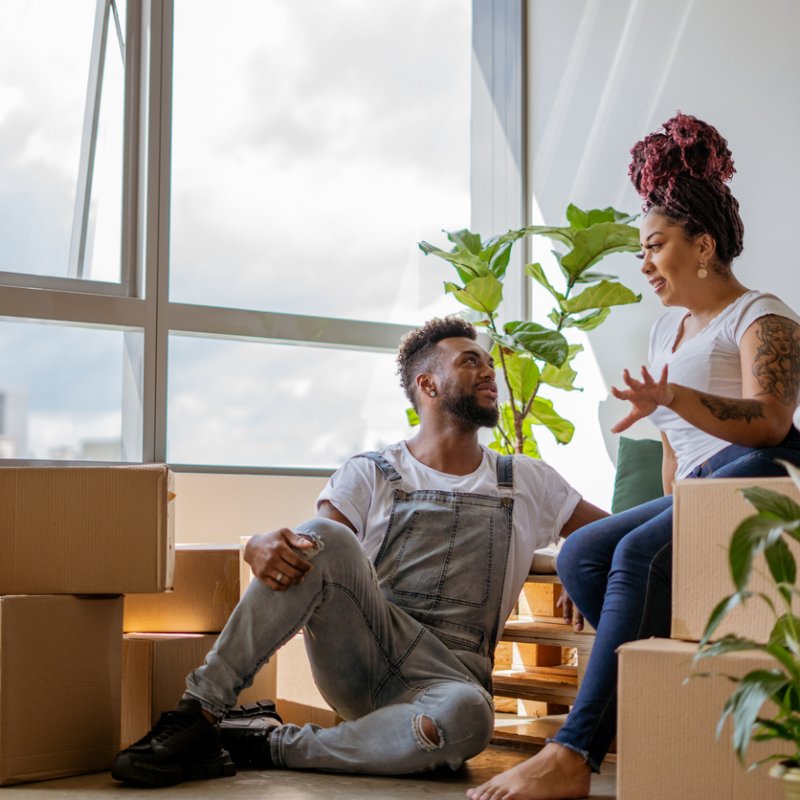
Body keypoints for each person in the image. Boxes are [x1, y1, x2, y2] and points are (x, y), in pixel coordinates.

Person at [111, 316, 606, 787]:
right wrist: (263, 544)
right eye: (469, 362)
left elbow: (614, 535)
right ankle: (198, 713)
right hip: (365, 654)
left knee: (468, 719)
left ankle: (263, 744)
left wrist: (577, 563)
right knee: (325, 537)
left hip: (450, 682)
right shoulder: (372, 471)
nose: (488, 372)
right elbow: (318, 552)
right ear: (428, 387)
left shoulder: (525, 479)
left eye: (488, 363)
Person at [467, 112, 800, 800]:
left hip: (771, 475)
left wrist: (676, 398)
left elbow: (771, 421)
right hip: (706, 490)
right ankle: (652, 690)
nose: (644, 262)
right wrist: (672, 454)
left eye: (655, 246)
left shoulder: (763, 315)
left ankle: (574, 752)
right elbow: (680, 455)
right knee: (585, 553)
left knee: (635, 555)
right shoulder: (665, 332)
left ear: (702, 245)